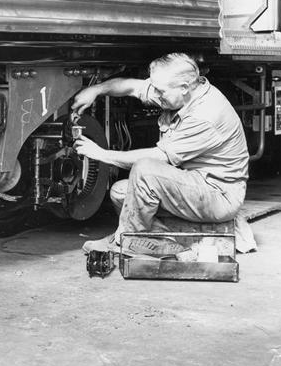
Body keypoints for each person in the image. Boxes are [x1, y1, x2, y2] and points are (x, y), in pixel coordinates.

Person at [71, 52, 249, 253]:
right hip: (193, 183)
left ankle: (127, 243)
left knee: (146, 169)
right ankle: (163, 242)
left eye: (160, 91)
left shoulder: (204, 115)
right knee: (121, 192)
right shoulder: (178, 91)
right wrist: (96, 90)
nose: (155, 94)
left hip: (217, 194)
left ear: (184, 88)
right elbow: (132, 86)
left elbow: (158, 157)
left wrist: (101, 154)